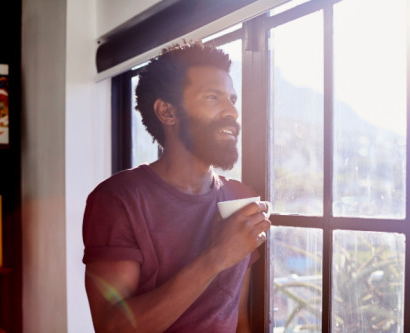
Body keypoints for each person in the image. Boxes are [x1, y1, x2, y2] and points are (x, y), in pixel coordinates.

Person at [82, 42, 271, 333]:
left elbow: (238, 318)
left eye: (232, 99)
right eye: (213, 97)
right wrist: (215, 257)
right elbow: (111, 328)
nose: (232, 111)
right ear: (167, 112)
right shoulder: (117, 200)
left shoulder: (240, 198)